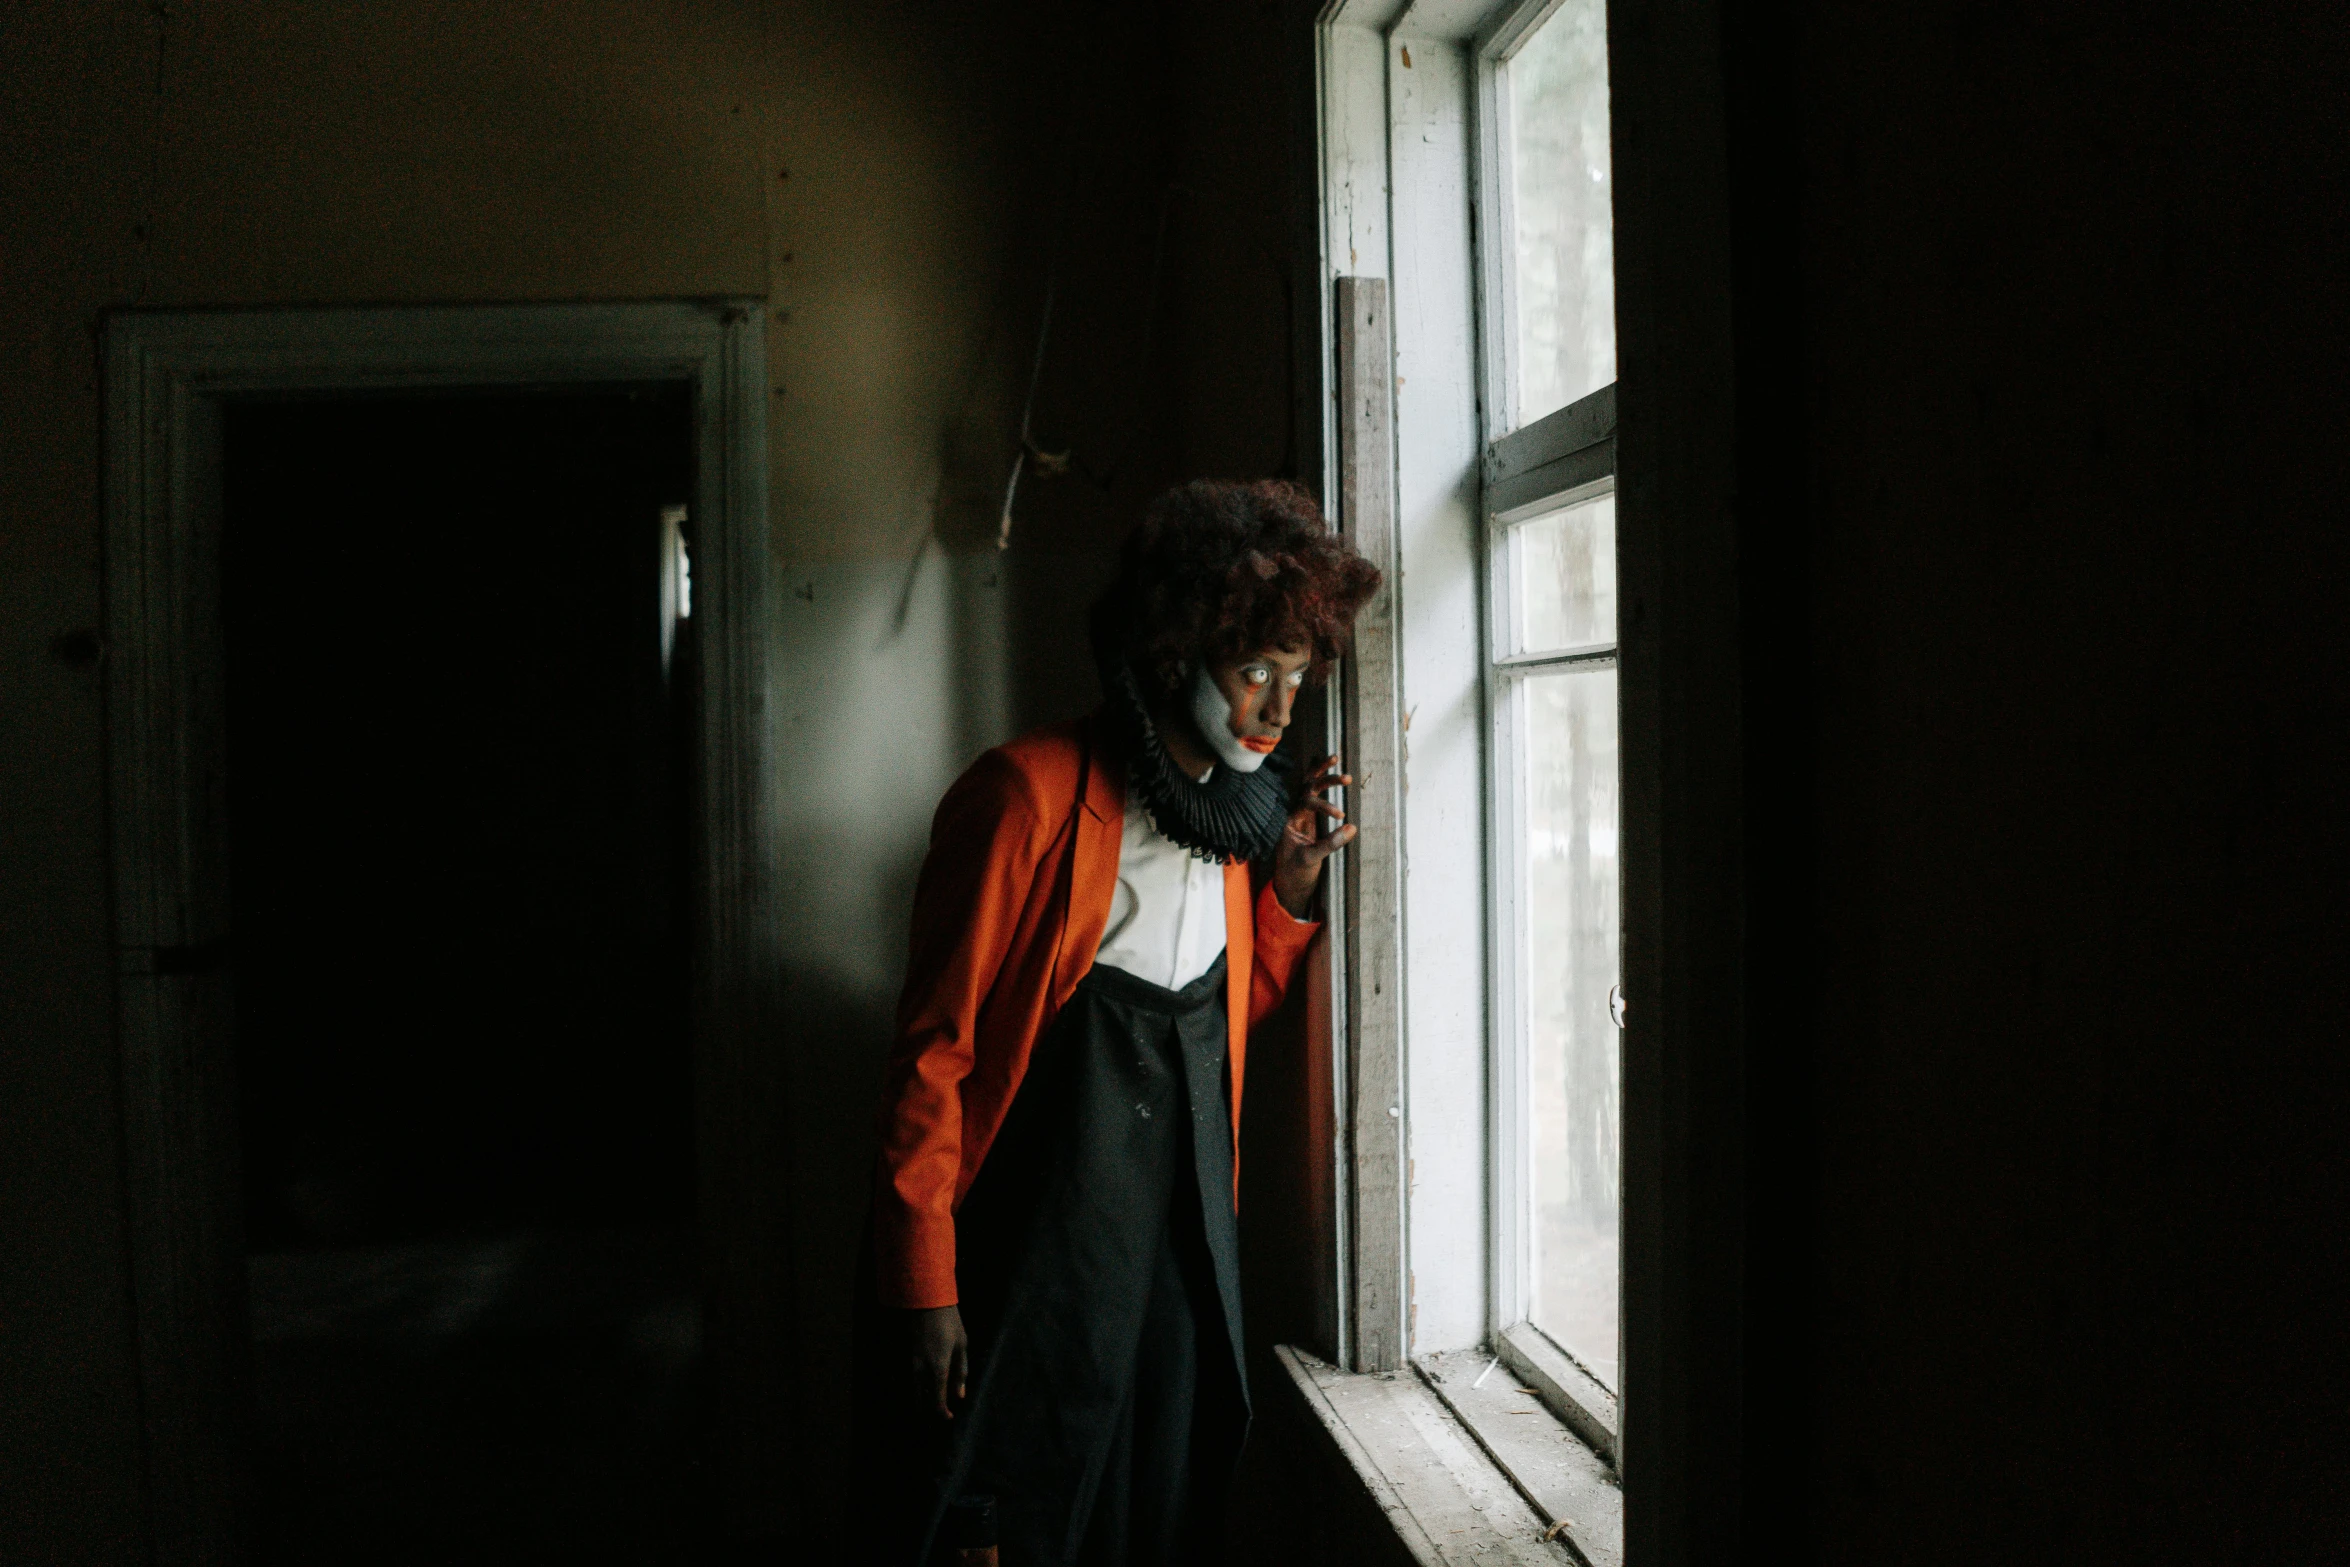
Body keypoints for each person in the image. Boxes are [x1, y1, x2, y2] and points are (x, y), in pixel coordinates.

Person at [858, 479, 1382, 1566]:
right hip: (1039, 1254)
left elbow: (1219, 1022)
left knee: (1168, 1510)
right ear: (1170, 654)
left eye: (1295, 676)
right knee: (1013, 1519)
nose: (1280, 713)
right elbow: (932, 1056)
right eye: (1253, 674)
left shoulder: (1242, 824)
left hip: (1184, 1260)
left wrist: (1284, 891)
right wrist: (927, 1284)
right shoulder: (1026, 797)